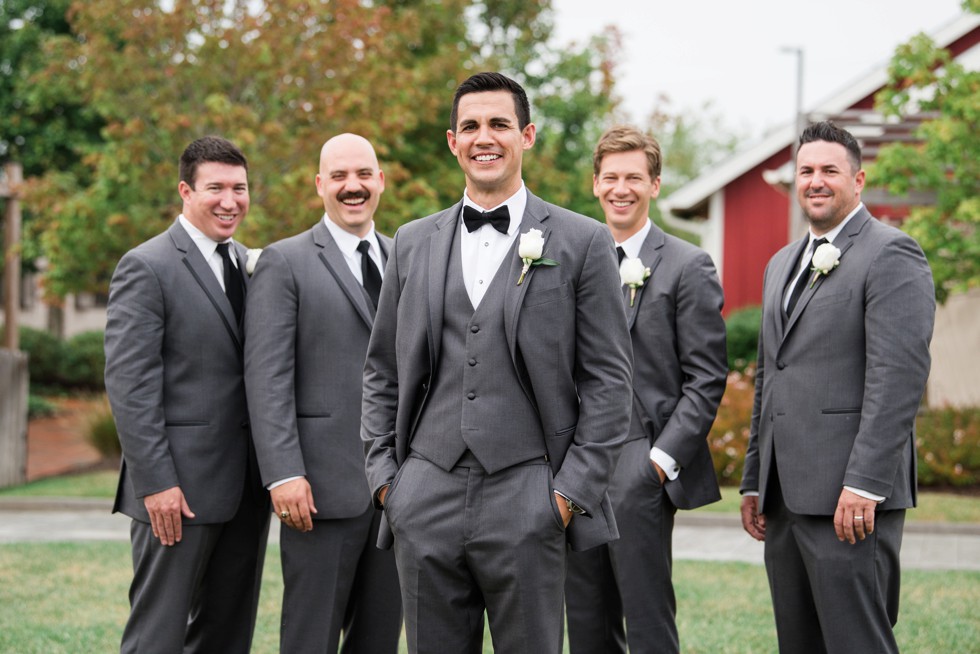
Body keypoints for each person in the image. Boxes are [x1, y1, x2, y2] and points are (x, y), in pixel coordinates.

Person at [360, 71, 633, 653]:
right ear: (453, 141)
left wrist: (565, 496)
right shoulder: (411, 240)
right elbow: (382, 367)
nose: (485, 137)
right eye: (471, 126)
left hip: (529, 494)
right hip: (423, 491)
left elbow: (610, 382)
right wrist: (388, 483)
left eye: (499, 125)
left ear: (527, 135)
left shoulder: (582, 242)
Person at [740, 121, 936, 653]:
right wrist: (755, 479)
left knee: (856, 644)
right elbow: (769, 377)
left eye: (830, 170)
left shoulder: (891, 253)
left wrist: (866, 483)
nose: (816, 180)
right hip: (783, 498)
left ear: (858, 179)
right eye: (806, 170)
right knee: (798, 644)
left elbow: (898, 379)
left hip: (851, 500)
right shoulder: (782, 262)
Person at [564, 126, 728, 653]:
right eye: (610, 177)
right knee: (586, 619)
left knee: (647, 618)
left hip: (641, 462)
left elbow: (706, 378)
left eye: (634, 177)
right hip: (573, 467)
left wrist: (657, 462)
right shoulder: (568, 260)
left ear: (654, 185)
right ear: (595, 184)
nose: (621, 188)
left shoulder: (688, 265)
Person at [105, 135, 270, 653]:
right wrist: (156, 484)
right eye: (215, 188)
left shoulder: (249, 261)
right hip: (177, 492)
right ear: (185, 190)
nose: (230, 200)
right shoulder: (146, 265)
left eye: (239, 188)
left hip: (246, 487)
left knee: (227, 631)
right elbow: (130, 385)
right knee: (158, 633)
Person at [244, 133, 402, 653]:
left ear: (380, 181)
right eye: (339, 176)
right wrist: (284, 473)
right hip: (317, 491)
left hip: (400, 491)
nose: (352, 187)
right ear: (320, 185)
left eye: (362, 175)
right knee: (310, 638)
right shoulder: (284, 262)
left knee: (379, 638)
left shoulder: (407, 256)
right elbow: (266, 379)